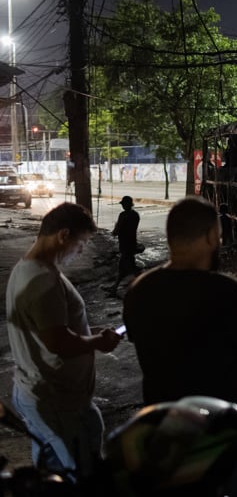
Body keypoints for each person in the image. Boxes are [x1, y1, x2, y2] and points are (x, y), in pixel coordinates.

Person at [123, 196, 237, 497]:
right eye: (218, 237)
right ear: (211, 236)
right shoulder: (230, 294)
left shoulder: (139, 290)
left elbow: (180, 316)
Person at [5, 203, 122, 478]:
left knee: (60, 460)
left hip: (55, 395)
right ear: (63, 235)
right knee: (75, 474)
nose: (80, 251)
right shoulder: (43, 281)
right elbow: (58, 342)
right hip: (55, 399)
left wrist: (91, 330)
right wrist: (97, 342)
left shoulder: (29, 270)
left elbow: (51, 327)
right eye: (81, 244)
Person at [108, 195, 141, 296]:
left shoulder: (123, 215)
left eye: (123, 204)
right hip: (132, 243)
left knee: (128, 267)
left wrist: (114, 231)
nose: (122, 206)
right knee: (125, 267)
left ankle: (144, 284)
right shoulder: (136, 215)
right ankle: (114, 288)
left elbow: (117, 230)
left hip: (125, 245)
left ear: (125, 205)